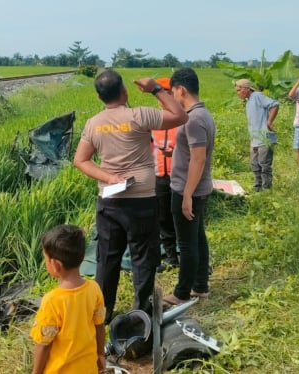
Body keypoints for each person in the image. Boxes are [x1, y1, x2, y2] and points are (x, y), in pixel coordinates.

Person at [73, 69, 188, 323]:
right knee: (143, 258)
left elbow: (80, 160)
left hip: (109, 201)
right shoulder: (139, 115)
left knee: (107, 259)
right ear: (124, 92)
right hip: (142, 199)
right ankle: (141, 316)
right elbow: (179, 116)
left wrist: (108, 177)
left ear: (98, 96)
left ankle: (101, 317)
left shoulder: (93, 123)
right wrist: (156, 89)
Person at [161, 68, 216, 308]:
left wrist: (186, 196)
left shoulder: (193, 119)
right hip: (196, 187)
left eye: (172, 91)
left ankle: (182, 293)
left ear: (180, 90)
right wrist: (176, 152)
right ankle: (200, 286)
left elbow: (199, 159)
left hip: (188, 188)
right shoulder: (202, 114)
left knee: (186, 243)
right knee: (198, 238)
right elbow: (194, 152)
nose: (172, 96)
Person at [30, 224, 106, 374]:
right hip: (88, 368)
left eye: (45, 258)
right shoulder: (94, 288)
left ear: (55, 265)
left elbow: (44, 344)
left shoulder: (52, 301)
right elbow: (100, 325)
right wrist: (101, 354)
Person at [151, 77, 180, 271]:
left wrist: (175, 152)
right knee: (163, 218)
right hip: (159, 174)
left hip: (180, 175)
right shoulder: (154, 119)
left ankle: (184, 254)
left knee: (182, 216)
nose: (164, 97)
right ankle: (171, 257)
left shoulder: (185, 118)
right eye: (162, 94)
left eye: (168, 93)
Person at [235, 78, 279, 191]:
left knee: (264, 165)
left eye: (239, 90)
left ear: (246, 89)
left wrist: (269, 122)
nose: (238, 93)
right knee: (255, 165)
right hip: (255, 139)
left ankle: (266, 190)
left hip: (265, 137)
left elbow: (274, 104)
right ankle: (257, 188)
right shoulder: (249, 100)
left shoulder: (257, 96)